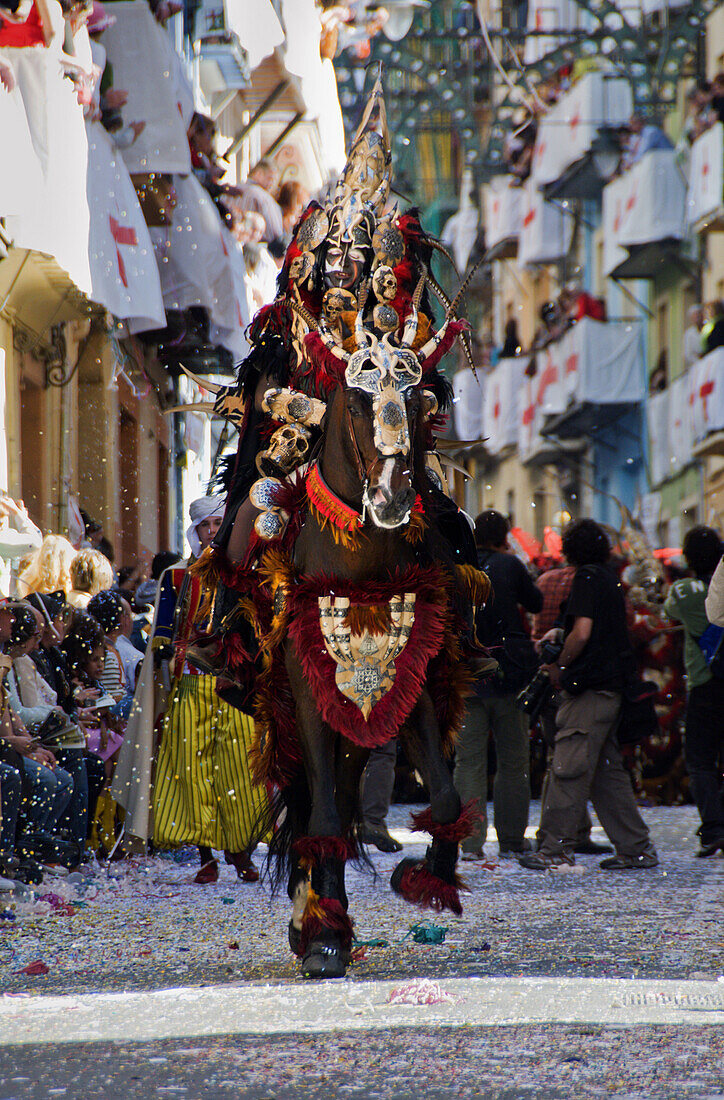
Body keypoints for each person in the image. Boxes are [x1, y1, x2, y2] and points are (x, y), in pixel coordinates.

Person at [520, 519, 658, 871]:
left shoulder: (585, 578)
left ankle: (555, 849)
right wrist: (560, 632)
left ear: (569, 551)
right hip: (611, 688)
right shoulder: (609, 579)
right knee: (607, 775)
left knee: (569, 768)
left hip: (589, 691)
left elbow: (582, 633)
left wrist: (559, 665)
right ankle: (635, 848)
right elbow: (597, 628)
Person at [152, 497, 268, 884]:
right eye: (207, 525)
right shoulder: (174, 576)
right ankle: (205, 856)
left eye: (221, 522)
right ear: (196, 530)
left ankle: (241, 852)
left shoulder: (244, 574)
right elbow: (163, 629)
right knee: (192, 769)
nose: (214, 530)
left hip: (231, 686)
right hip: (190, 682)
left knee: (239, 771)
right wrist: (165, 647)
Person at [453, 510, 542, 859]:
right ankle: (512, 840)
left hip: (468, 675)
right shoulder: (509, 565)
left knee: (468, 763)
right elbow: (535, 602)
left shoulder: (460, 570)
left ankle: (470, 843)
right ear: (504, 536)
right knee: (513, 763)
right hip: (509, 676)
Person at [665, 526, 724, 857]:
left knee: (700, 759)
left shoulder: (685, 590)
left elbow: (668, 613)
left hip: (704, 681)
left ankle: (714, 829)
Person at [683, 306, 703, 370]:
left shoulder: (708, 329)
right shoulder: (689, 334)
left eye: (699, 314)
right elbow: (688, 354)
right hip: (696, 367)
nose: (697, 316)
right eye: (695, 315)